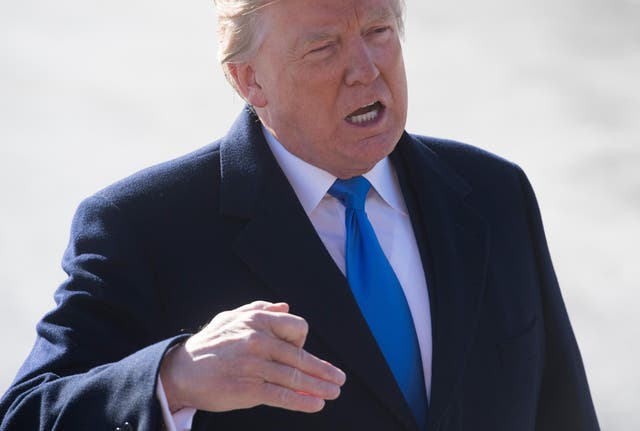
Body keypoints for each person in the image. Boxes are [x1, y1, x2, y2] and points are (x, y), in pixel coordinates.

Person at [0, 0, 600, 430]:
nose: (365, 67)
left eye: (379, 29)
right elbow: (29, 413)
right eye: (323, 47)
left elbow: (563, 408)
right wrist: (173, 377)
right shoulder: (140, 228)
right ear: (248, 80)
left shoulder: (495, 195)